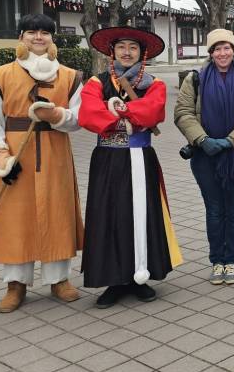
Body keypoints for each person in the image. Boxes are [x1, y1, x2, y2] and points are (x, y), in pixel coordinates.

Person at [0, 13, 84, 313]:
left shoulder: (69, 75)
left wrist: (57, 116)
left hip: (55, 153)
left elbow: (79, 118)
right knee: (16, 217)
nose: (38, 37)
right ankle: (16, 283)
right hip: (16, 156)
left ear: (53, 39)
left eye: (45, 33)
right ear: (21, 38)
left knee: (56, 212)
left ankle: (58, 278)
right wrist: (1, 156)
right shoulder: (1, 75)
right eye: (31, 32)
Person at [78, 26, 183, 308]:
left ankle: (142, 276)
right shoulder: (96, 82)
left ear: (142, 53)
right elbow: (88, 113)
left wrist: (118, 111)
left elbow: (153, 111)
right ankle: (113, 280)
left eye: (133, 48)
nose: (127, 52)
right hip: (108, 159)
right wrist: (124, 117)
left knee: (142, 213)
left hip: (140, 157)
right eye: (121, 47)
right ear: (112, 52)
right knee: (109, 215)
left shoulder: (154, 83)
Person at [175, 29, 234, 285]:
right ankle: (217, 260)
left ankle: (232, 260)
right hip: (206, 156)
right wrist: (202, 140)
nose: (222, 53)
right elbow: (183, 112)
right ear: (210, 52)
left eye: (227, 48)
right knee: (214, 209)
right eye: (217, 48)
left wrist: (230, 140)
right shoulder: (196, 78)